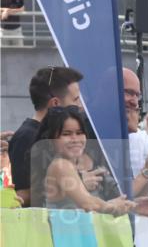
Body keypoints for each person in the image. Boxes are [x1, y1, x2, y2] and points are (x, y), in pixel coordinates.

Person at [29, 106, 135, 215]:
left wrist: (120, 204)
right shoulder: (60, 165)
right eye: (66, 134)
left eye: (79, 133)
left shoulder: (66, 165)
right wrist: (114, 207)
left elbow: (87, 203)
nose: (75, 139)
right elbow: (88, 204)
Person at [9, 66, 83, 206]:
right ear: (55, 104)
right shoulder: (26, 137)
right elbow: (22, 194)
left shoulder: (51, 136)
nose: (80, 107)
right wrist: (77, 183)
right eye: (75, 100)